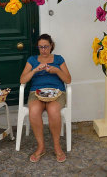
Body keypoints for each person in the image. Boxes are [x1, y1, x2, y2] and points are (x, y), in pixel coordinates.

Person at [20, 34, 71, 163]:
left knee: (53, 111)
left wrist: (57, 71)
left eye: (46, 47)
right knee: (34, 111)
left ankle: (57, 146)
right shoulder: (32, 60)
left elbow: (68, 79)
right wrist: (35, 70)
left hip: (57, 92)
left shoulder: (59, 59)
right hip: (36, 93)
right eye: (41, 47)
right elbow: (22, 80)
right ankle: (41, 147)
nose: (43, 50)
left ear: (51, 46)